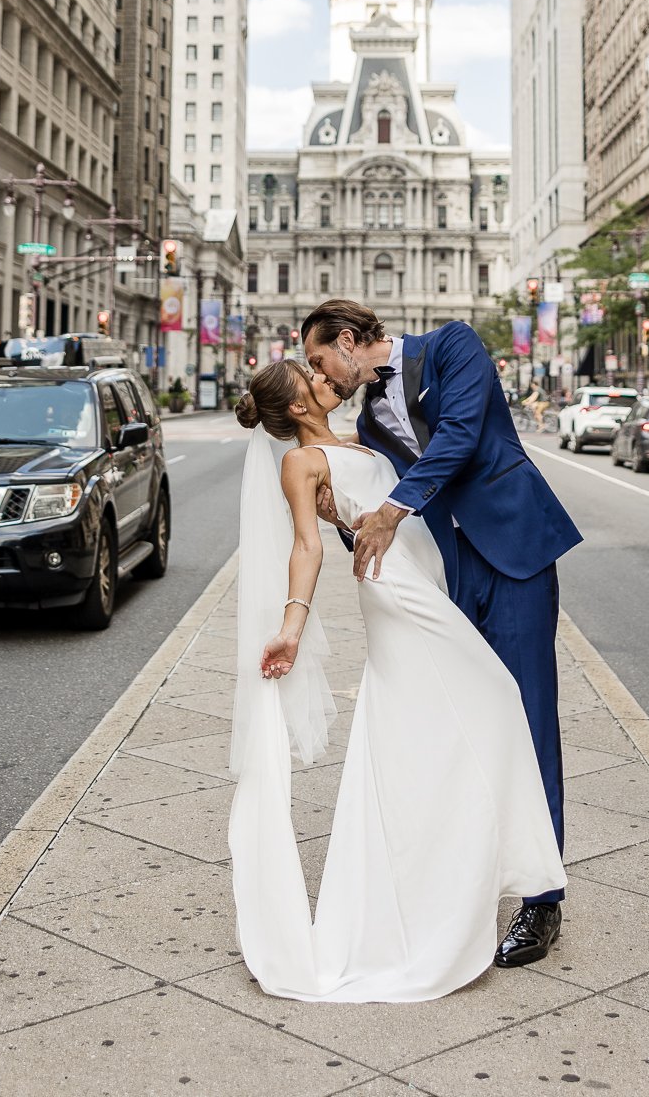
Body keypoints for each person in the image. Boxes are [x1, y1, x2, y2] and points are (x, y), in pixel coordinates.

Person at [229, 359, 564, 1002]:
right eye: (312, 377)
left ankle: (446, 874)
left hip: (418, 578)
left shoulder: (356, 443)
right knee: (493, 700)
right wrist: (292, 626)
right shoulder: (300, 465)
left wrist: (347, 519)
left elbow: (384, 503)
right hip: (397, 595)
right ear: (298, 406)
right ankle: (477, 879)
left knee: (423, 735)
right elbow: (306, 547)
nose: (325, 379)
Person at [302, 299, 582, 970]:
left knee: (527, 712)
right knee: (470, 719)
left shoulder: (453, 346)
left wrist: (391, 511)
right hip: (445, 575)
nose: (321, 375)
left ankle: (542, 900)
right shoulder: (370, 418)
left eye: (319, 360)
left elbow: (459, 436)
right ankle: (480, 865)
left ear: (347, 340)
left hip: (511, 551)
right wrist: (344, 515)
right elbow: (378, 490)